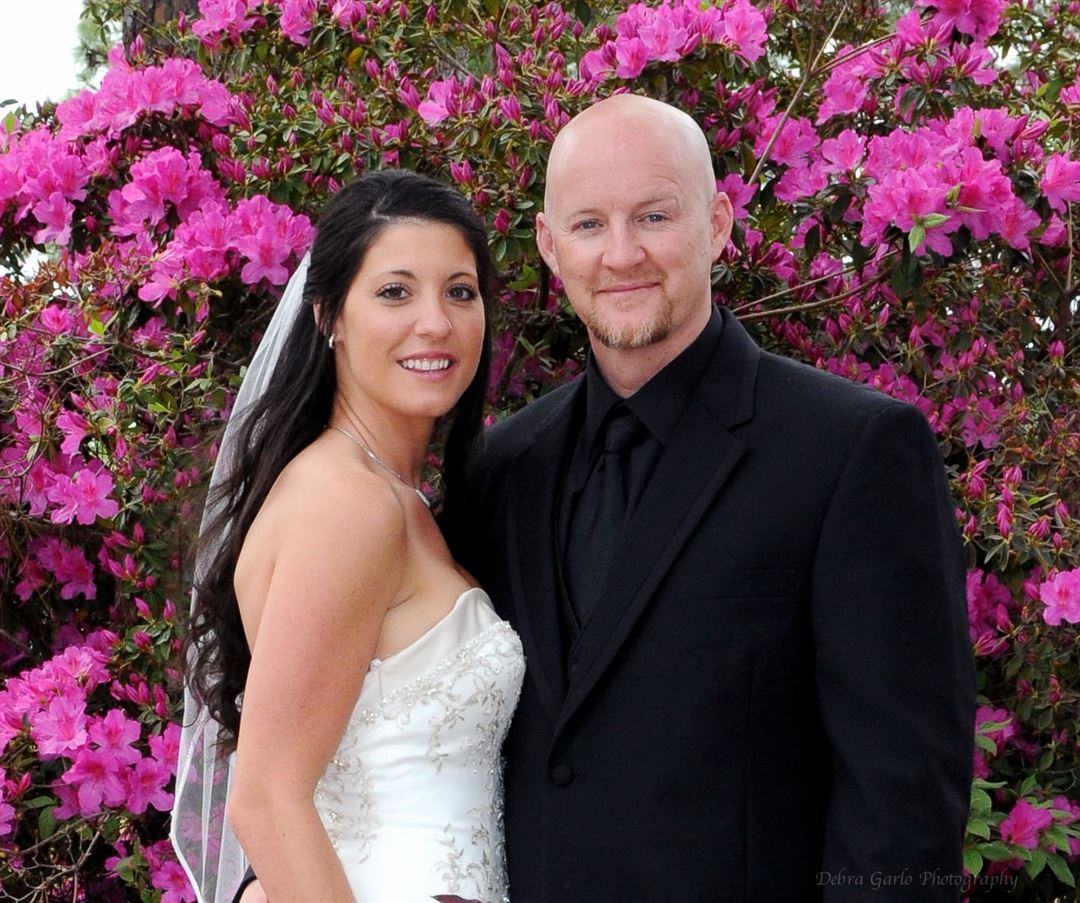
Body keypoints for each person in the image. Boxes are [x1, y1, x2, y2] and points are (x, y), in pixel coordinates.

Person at [443, 94, 975, 900]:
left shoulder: (853, 451)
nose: (621, 254)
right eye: (588, 225)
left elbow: (904, 801)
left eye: (653, 216)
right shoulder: (501, 467)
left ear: (718, 223)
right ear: (549, 246)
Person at [171, 170, 525, 903]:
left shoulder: (395, 498)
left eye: (460, 292)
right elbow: (266, 797)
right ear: (329, 314)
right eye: (395, 292)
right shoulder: (349, 505)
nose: (435, 322)